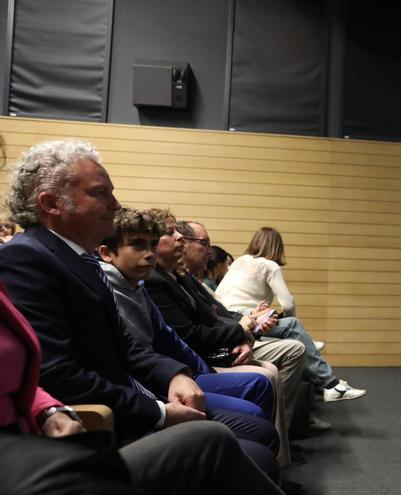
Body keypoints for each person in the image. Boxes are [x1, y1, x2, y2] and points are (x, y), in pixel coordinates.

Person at [0, 138, 289, 492]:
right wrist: (159, 412)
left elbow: (125, 344)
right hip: (101, 424)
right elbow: (59, 374)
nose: (115, 204)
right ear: (51, 203)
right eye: (100, 193)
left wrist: (175, 375)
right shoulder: (27, 258)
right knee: (240, 446)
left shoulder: (78, 257)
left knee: (256, 435)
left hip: (127, 402)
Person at [144, 211, 305, 465]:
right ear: (109, 253)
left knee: (270, 372)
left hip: (207, 352)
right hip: (193, 362)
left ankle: (276, 453)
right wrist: (242, 329)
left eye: (181, 234)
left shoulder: (176, 277)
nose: (180, 240)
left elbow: (212, 318)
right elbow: (189, 334)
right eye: (171, 233)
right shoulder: (155, 280)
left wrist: (244, 330)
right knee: (272, 368)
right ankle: (273, 451)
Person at [98, 207, 274, 420]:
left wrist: (241, 334)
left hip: (179, 369)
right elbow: (174, 339)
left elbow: (194, 325)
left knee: (263, 382)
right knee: (258, 394)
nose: (149, 253)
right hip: (155, 385)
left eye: (152, 244)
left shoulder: (143, 284)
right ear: (106, 253)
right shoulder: (115, 287)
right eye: (137, 245)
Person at [215, 226, 365, 402]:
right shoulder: (270, 266)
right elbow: (287, 303)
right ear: (277, 248)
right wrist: (286, 319)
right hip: (246, 317)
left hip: (225, 317)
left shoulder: (240, 261)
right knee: (292, 324)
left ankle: (306, 344)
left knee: (293, 333)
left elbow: (219, 294)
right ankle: (332, 385)